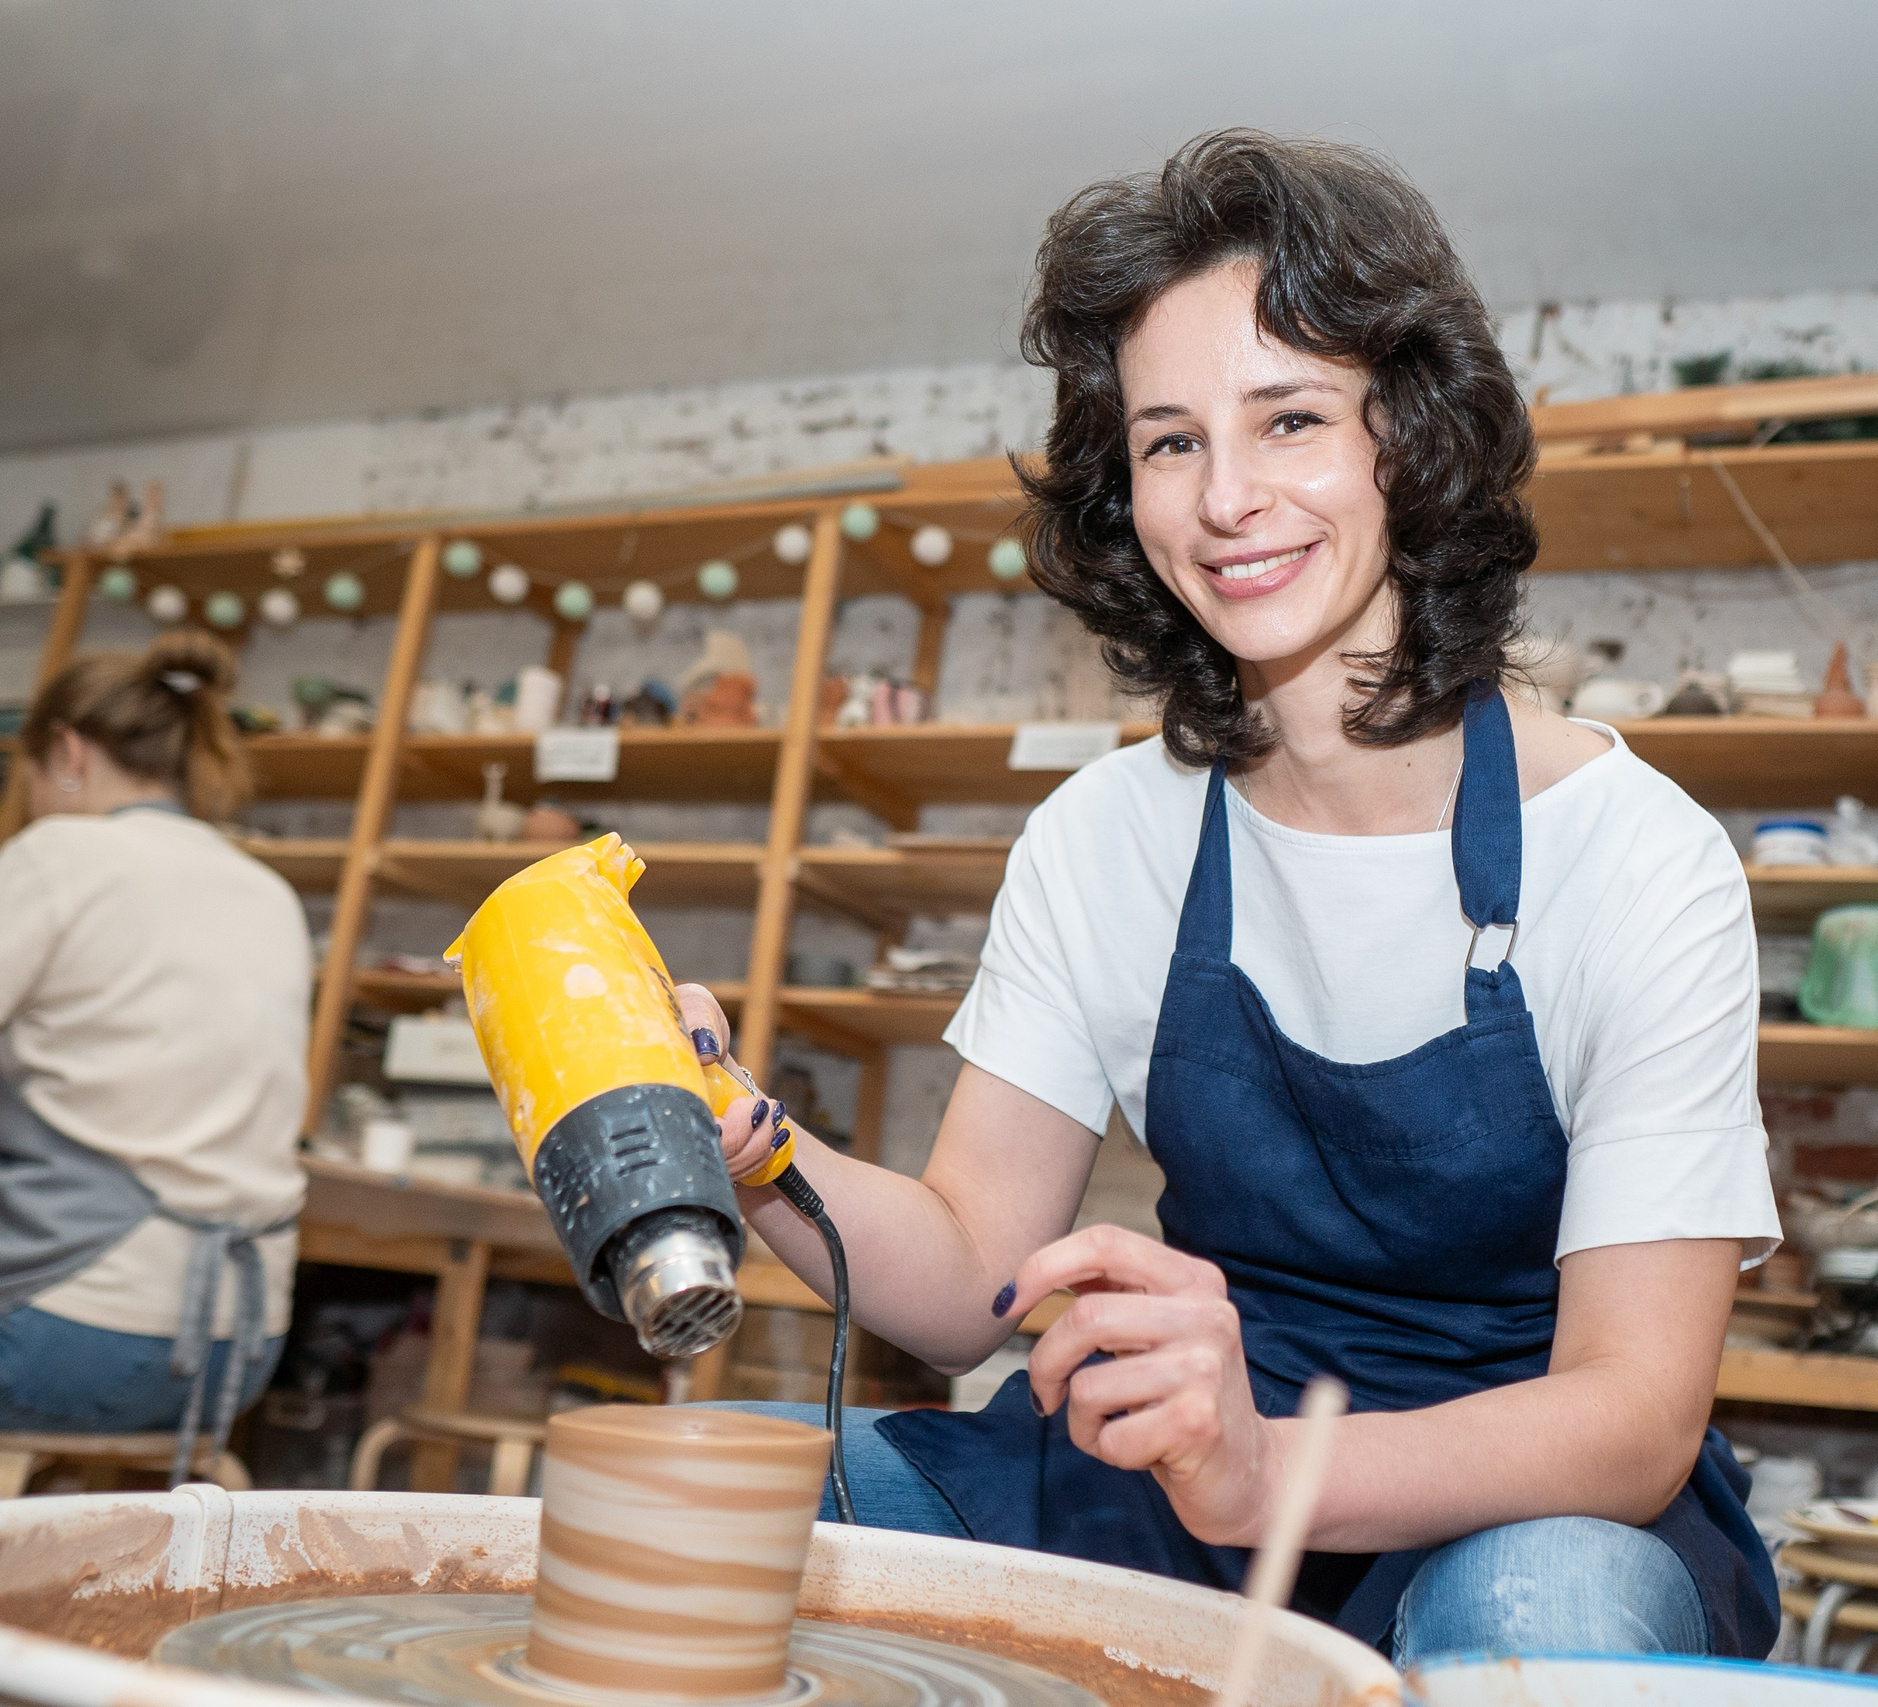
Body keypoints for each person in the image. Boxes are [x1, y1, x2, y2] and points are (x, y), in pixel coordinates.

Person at [686, 131, 1780, 1663]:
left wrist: (1267, 1465)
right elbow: (961, 1283)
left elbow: (1634, 1414)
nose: (1229, 497)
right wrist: (743, 1138)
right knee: (715, 1499)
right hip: (1169, 1473)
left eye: (1291, 418)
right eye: (1171, 441)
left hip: (1513, 1495)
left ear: (1403, 439)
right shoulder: (1102, 838)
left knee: (1542, 1611)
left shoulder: (1639, 856)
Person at [0, 629, 311, 1483]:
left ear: (65, 752)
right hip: (236, 1352)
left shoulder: (61, 855)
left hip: (70, 1338)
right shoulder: (267, 890)